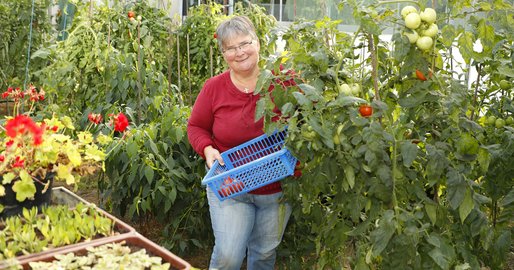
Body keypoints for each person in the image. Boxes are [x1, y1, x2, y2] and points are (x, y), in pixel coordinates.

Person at [187, 15, 292, 270]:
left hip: (277, 188)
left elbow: (309, 118)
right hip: (231, 184)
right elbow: (196, 126)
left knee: (264, 255)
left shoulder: (283, 82)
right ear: (223, 53)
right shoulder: (214, 88)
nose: (240, 52)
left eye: (245, 43)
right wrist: (208, 149)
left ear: (257, 42)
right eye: (231, 48)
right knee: (228, 257)